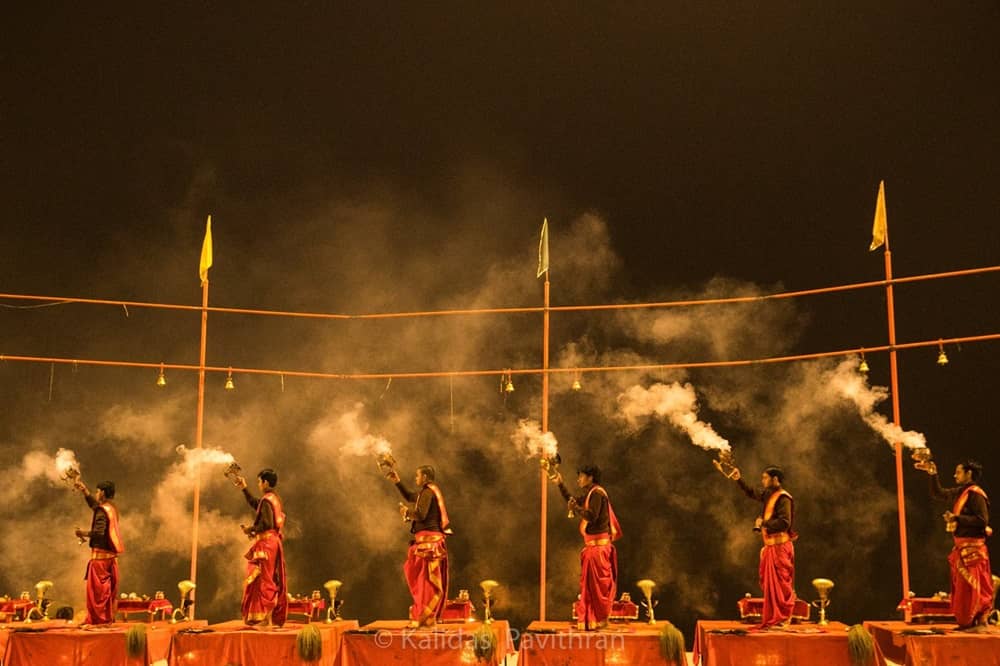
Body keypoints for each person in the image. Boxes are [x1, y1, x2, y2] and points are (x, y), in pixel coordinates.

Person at [716, 463, 796, 629]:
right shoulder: (769, 494)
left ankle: (782, 619)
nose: (763, 480)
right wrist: (739, 480)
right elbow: (753, 492)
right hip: (771, 547)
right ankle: (775, 618)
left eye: (765, 478)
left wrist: (764, 523)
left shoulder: (783, 498)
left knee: (781, 585)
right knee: (770, 585)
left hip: (780, 548)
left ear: (775, 479)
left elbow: (784, 523)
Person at [921, 458, 993, 631]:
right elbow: (939, 494)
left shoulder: (975, 494)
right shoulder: (962, 491)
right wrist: (932, 473)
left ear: (969, 474)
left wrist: (957, 518)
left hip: (973, 550)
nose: (955, 475)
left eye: (958, 472)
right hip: (962, 548)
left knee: (974, 588)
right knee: (962, 589)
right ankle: (967, 622)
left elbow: (982, 520)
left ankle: (980, 622)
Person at [550, 464, 621, 630]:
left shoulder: (597, 493)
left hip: (598, 550)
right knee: (590, 587)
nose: (578, 479)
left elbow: (591, 516)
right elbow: (572, 500)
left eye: (581, 476)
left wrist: (575, 508)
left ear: (590, 477)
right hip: (593, 549)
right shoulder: (590, 493)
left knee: (597, 588)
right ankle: (592, 621)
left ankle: (598, 620)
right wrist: (560, 484)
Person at [386, 465, 450, 628]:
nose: (415, 478)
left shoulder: (428, 492)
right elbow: (409, 497)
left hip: (429, 544)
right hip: (425, 542)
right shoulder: (426, 492)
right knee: (421, 578)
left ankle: (424, 616)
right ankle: (425, 616)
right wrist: (397, 482)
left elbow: (420, 514)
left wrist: (406, 513)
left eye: (417, 476)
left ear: (426, 477)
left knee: (425, 581)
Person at [235, 468, 287, 626]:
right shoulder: (274, 499)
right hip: (273, 543)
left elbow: (266, 523)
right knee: (267, 578)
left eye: (259, 481)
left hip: (266, 544)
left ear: (265, 482)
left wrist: (249, 529)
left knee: (263, 580)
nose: (258, 484)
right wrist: (244, 488)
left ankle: (265, 617)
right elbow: (255, 504)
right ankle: (265, 617)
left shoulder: (267, 500)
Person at [73, 479, 124, 624]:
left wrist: (81, 533)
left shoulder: (104, 510)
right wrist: (84, 491)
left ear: (102, 492)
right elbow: (96, 507)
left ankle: (98, 620)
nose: (96, 494)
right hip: (110, 559)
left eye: (97, 491)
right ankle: (105, 619)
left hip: (100, 561)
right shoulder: (111, 508)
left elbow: (98, 533)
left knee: (97, 593)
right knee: (105, 593)